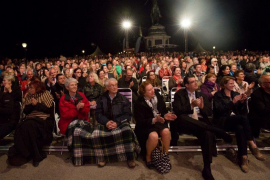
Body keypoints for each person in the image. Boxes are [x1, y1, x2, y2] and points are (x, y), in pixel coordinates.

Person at [172, 75, 233, 180]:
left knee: (207, 133)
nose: (196, 83)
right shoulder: (179, 94)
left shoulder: (202, 95)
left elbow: (209, 112)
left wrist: (202, 107)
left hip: (200, 122)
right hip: (186, 122)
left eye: (196, 81)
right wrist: (191, 106)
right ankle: (217, 131)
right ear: (186, 85)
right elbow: (177, 111)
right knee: (182, 117)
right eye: (192, 82)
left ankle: (207, 168)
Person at [213, 76, 265, 173]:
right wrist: (233, 102)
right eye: (230, 83)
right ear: (224, 85)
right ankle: (252, 144)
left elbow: (241, 111)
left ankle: (243, 158)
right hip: (223, 121)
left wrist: (242, 102)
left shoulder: (235, 93)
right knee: (243, 119)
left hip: (236, 121)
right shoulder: (218, 95)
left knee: (240, 128)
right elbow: (219, 111)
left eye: (233, 83)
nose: (233, 85)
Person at [94, 78, 140, 168]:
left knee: (127, 131)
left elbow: (128, 114)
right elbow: (98, 114)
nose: (114, 87)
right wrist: (106, 122)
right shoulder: (101, 99)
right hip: (106, 122)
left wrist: (117, 123)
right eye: (112, 85)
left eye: (115, 85)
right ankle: (103, 157)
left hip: (119, 122)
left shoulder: (123, 99)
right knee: (97, 133)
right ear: (107, 87)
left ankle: (130, 157)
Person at [8, 81, 54, 167]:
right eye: (29, 88)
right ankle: (31, 153)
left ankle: (34, 154)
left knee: (29, 126)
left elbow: (48, 110)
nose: (29, 89)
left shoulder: (46, 94)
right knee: (22, 127)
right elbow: (26, 111)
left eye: (32, 88)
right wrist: (32, 105)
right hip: (31, 119)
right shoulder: (28, 96)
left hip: (43, 120)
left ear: (38, 88)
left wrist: (37, 104)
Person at [134, 82, 177, 169]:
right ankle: (148, 156)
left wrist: (165, 115)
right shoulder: (139, 102)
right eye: (149, 90)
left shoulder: (158, 96)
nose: (152, 91)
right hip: (146, 125)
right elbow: (140, 121)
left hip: (158, 121)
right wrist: (154, 120)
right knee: (154, 136)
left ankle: (165, 154)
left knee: (166, 132)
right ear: (143, 92)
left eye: (152, 88)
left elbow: (163, 110)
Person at [0, 75, 20, 139]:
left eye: (4, 80)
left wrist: (9, 90)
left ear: (9, 81)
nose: (3, 82)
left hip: (10, 118)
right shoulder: (2, 90)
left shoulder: (16, 89)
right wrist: (4, 93)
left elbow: (16, 101)